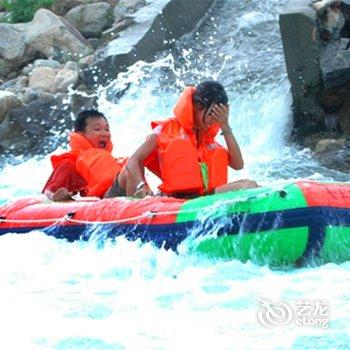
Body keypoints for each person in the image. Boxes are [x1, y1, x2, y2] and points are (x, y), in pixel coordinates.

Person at [113, 80, 257, 199]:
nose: (214, 120)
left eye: (220, 115)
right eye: (213, 113)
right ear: (197, 105)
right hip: (175, 201)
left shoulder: (207, 139)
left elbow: (238, 164)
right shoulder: (166, 129)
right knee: (247, 185)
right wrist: (141, 185)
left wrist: (225, 126)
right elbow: (133, 160)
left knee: (250, 185)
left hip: (201, 199)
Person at [43, 110, 127, 201]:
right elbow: (47, 193)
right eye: (97, 129)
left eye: (107, 129)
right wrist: (59, 197)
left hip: (110, 202)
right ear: (81, 135)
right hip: (93, 207)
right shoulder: (69, 164)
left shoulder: (112, 163)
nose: (105, 134)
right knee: (130, 167)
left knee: (130, 167)